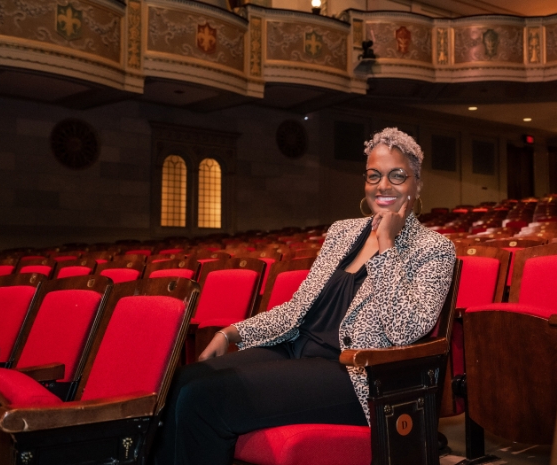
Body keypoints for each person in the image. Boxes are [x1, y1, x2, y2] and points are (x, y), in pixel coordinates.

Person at [150, 127, 456, 465]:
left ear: (416, 184)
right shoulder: (342, 232)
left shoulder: (434, 249)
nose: (383, 185)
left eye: (397, 176)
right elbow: (297, 309)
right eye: (374, 176)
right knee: (183, 380)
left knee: (204, 398)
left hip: (355, 375)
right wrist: (231, 333)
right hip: (294, 350)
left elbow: (405, 330)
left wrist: (386, 245)